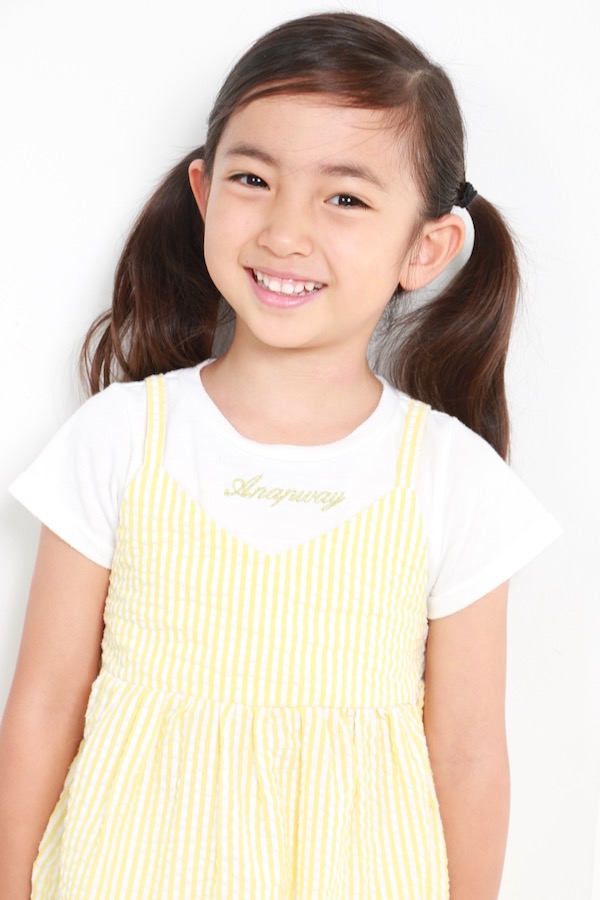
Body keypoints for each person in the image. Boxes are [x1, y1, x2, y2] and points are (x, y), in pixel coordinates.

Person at [0, 12, 560, 899]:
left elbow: (467, 754)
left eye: (346, 198)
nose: (285, 232)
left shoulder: (451, 478)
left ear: (426, 246)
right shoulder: (120, 436)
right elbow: (43, 703)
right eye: (254, 179)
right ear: (204, 190)